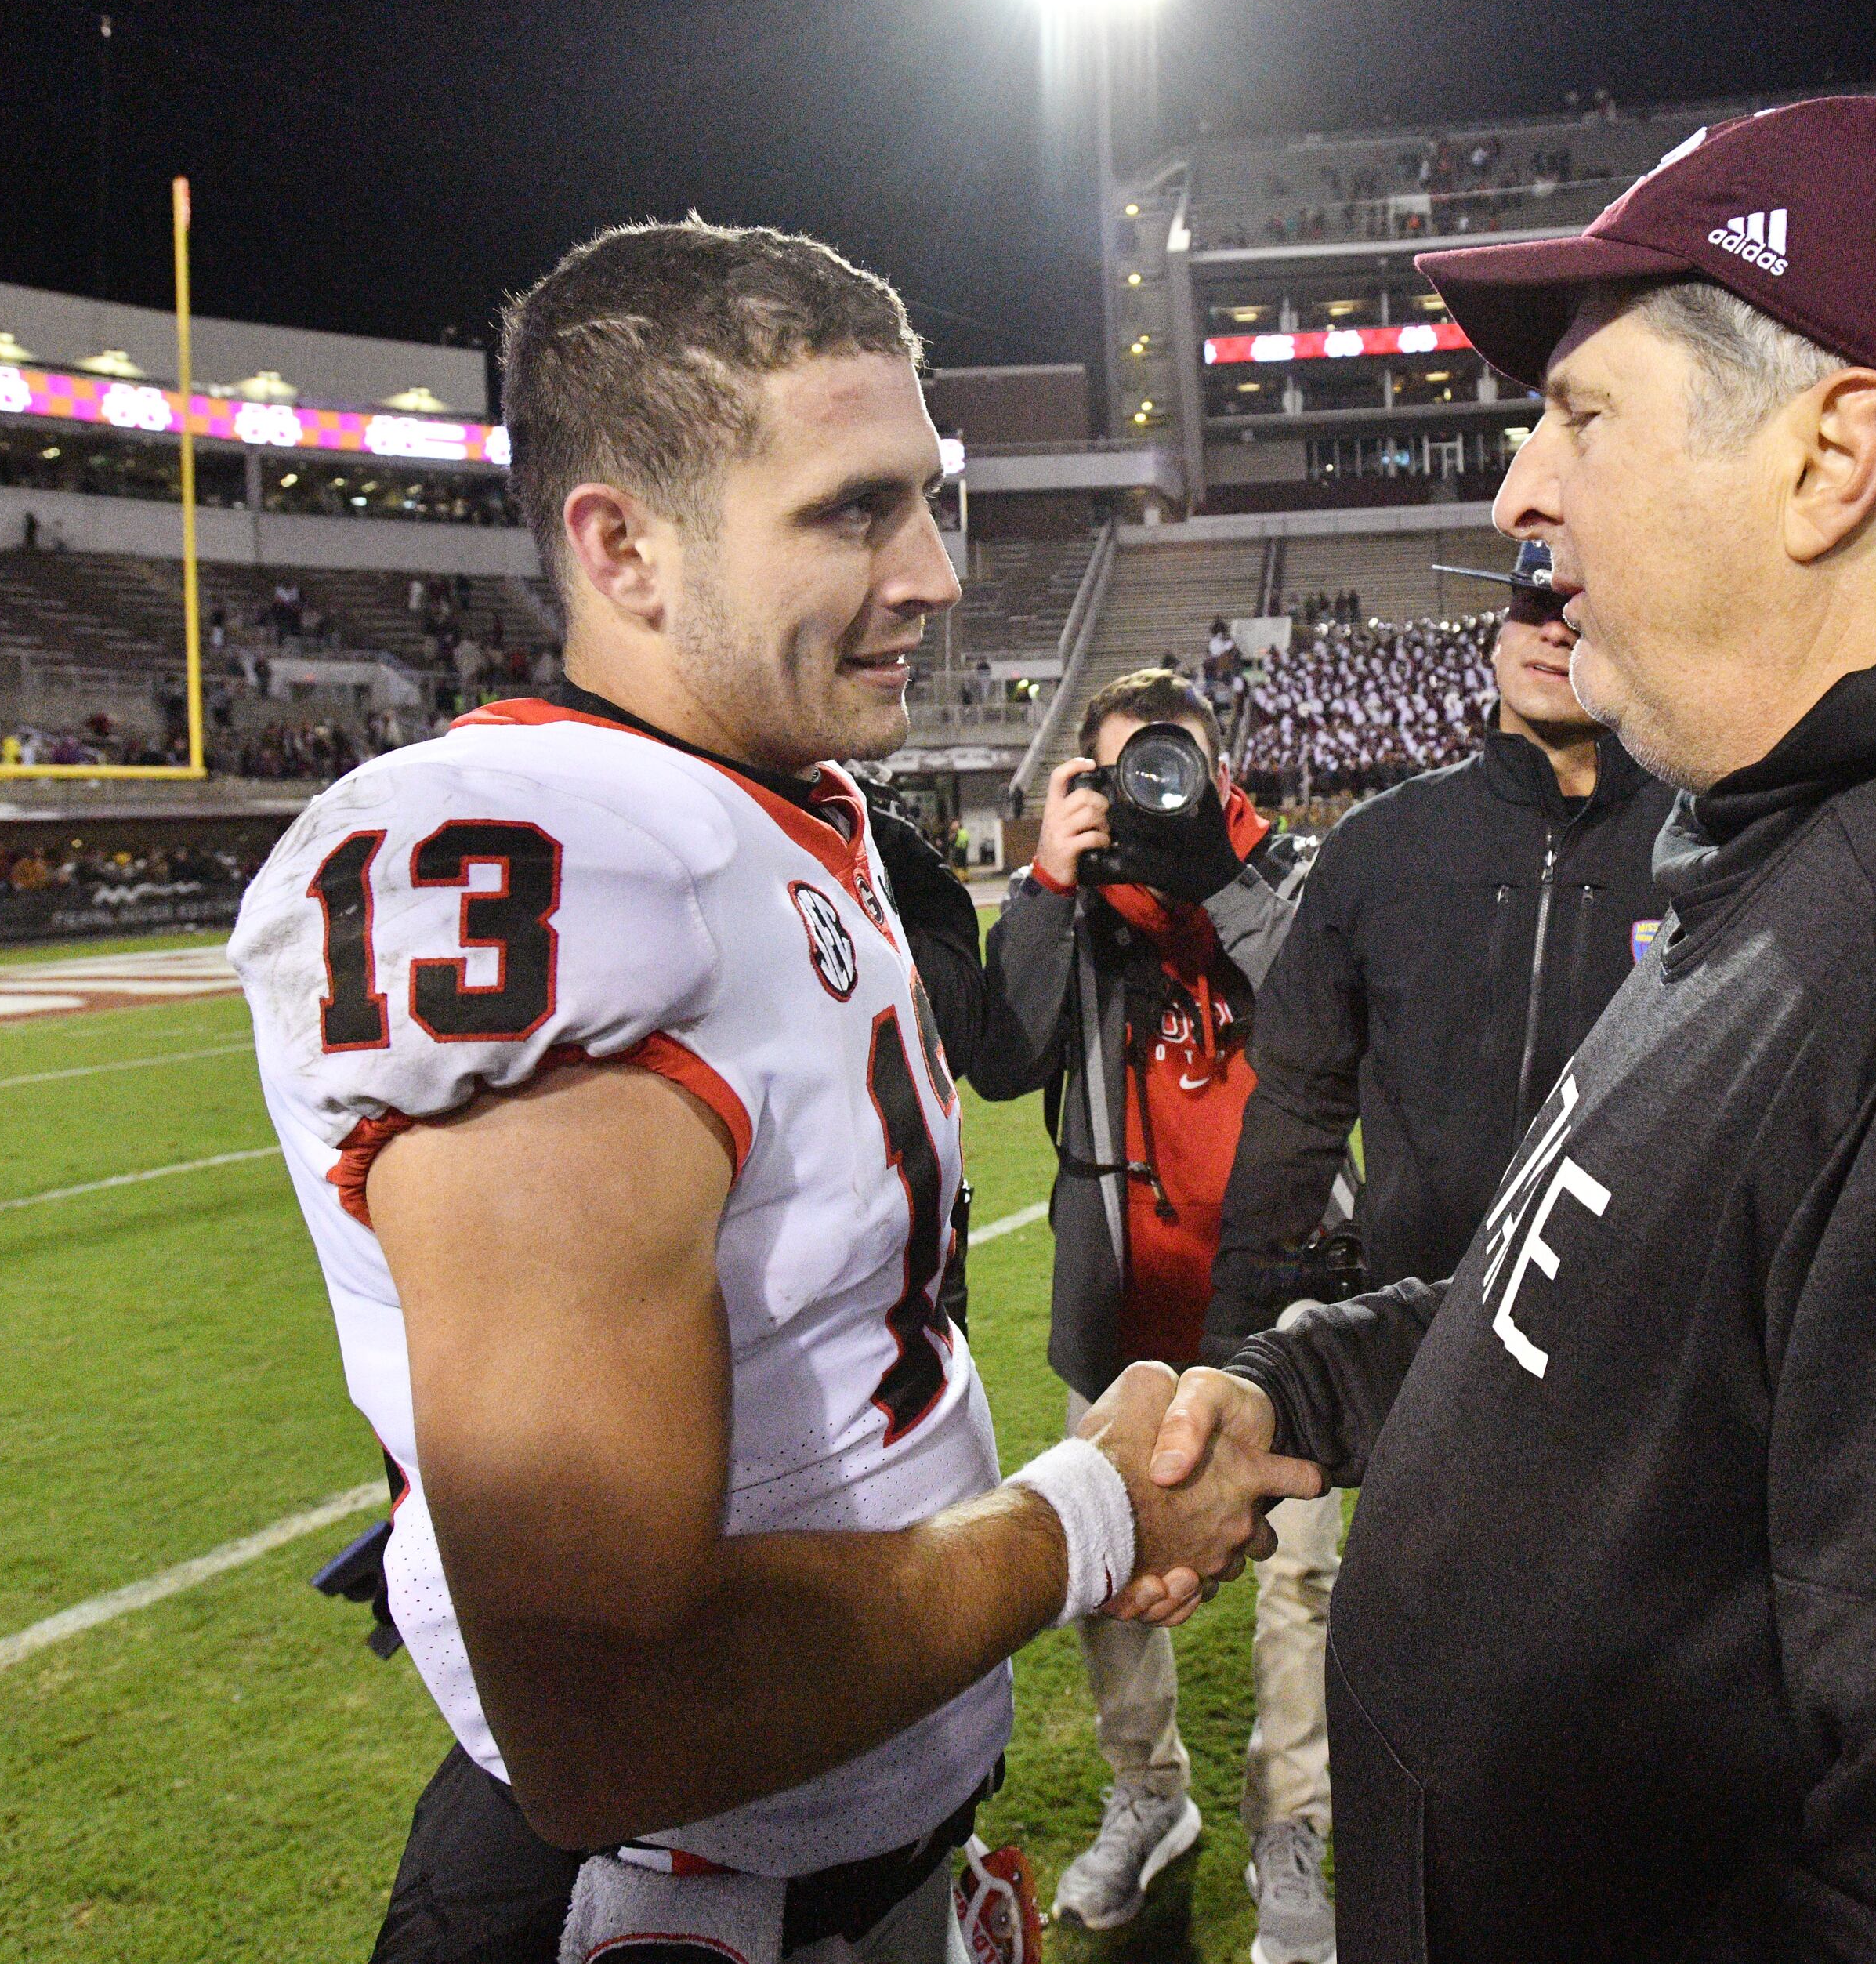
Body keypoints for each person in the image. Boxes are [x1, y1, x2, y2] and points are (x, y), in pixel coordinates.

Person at [1125, 96, 1876, 1962]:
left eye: (1583, 415)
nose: (1517, 495)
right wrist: (1305, 1393)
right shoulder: (1852, 833)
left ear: (1833, 453)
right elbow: (1655, 1310)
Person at [230, 221, 1304, 1964]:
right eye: (853, 509)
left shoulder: (786, 803)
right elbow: (604, 1703)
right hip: (661, 1902)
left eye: (924, 497)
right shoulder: (545, 857)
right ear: (623, 547)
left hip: (856, 1866)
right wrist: (1091, 1512)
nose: (938, 570)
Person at [1201, 534, 1675, 1957]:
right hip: (1395, 1364)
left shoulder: (1709, 838)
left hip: (1633, 1366)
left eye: (1574, 594)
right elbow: (1294, 1117)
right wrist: (1241, 1344)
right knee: (1351, 1631)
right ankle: (1303, 1847)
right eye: (1522, 598)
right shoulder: (1381, 850)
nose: (1544, 622)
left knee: (1606, 1688)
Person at [972, 667, 1342, 1944]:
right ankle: (1151, 1796)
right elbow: (1003, 1055)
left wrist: (1214, 879)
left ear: (1222, 764)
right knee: (1110, 1564)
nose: (1154, 790)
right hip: (1126, 1293)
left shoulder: (1284, 872)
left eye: (1172, 760)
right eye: (1124, 768)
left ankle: (1292, 1830)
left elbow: (1327, 1014)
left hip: (1286, 1290)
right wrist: (1045, 884)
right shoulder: (1080, 903)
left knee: (1305, 1583)